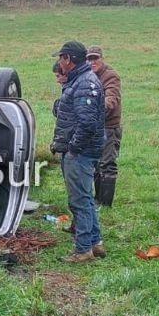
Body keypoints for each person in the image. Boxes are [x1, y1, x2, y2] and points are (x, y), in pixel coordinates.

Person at [50, 40, 106, 262]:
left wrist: (73, 148)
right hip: (80, 149)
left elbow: (87, 122)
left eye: (61, 58)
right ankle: (95, 242)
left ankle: (83, 250)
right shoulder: (79, 81)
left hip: (81, 152)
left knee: (79, 200)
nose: (59, 63)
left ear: (68, 59)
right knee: (86, 198)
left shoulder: (84, 83)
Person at [85, 46, 121, 206]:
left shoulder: (110, 76)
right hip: (94, 127)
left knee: (107, 164)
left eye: (95, 58)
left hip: (109, 126)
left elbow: (111, 99)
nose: (92, 62)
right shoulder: (88, 76)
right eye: (89, 59)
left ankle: (105, 203)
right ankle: (97, 199)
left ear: (102, 58)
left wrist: (94, 110)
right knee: (96, 164)